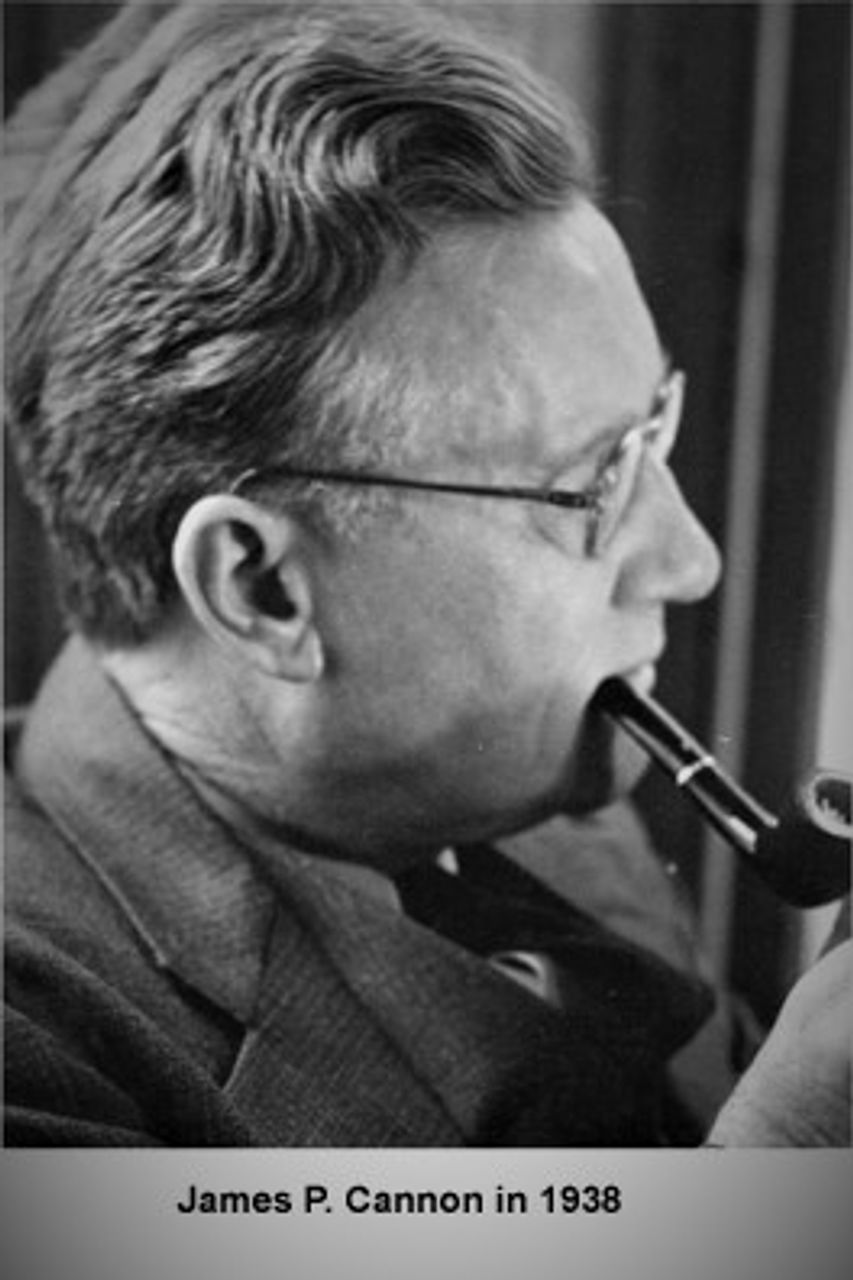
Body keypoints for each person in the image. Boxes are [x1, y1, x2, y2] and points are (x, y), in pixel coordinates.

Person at [4, 1, 849, 1148]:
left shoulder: (530, 799)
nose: (689, 557)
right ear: (261, 589)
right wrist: (797, 1148)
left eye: (652, 427)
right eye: (594, 481)